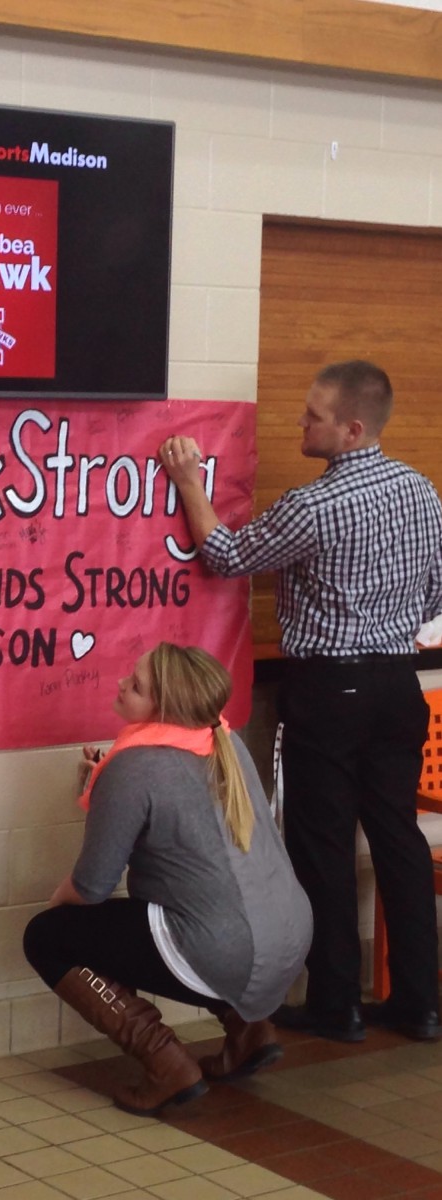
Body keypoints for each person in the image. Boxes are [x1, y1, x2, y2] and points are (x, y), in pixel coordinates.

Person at [159, 360, 442, 1043]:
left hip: (330, 688)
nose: (299, 423)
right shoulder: (422, 490)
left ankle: (335, 1002)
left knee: (322, 844)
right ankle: (422, 1002)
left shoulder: (315, 506)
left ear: (352, 428)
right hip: (399, 683)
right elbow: (436, 595)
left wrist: (189, 481)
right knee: (398, 838)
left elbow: (225, 556)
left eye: (313, 415)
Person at [23, 643, 312, 1117]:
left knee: (47, 937)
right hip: (291, 941)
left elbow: (91, 887)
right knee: (200, 917)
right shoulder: (224, 737)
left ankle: (165, 1063)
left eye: (135, 686)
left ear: (165, 709)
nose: (120, 684)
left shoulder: (134, 765)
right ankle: (250, 1029)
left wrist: (57, 900)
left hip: (228, 950)